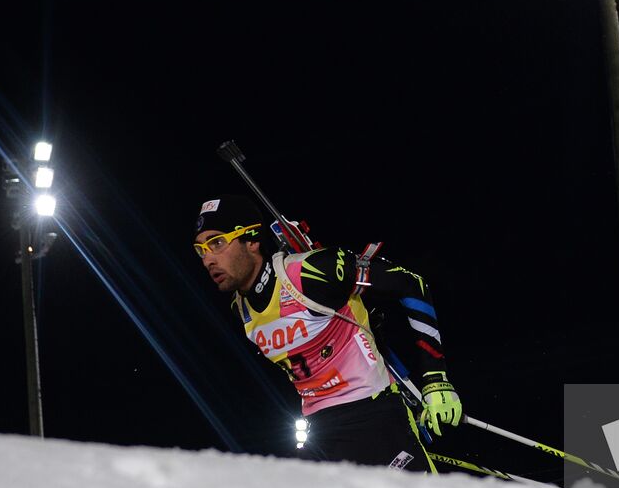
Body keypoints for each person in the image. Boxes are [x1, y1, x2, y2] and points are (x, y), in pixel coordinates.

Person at [192, 194, 461, 470]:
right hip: (320, 431)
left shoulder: (308, 272)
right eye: (201, 250)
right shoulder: (242, 309)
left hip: (373, 414)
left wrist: (435, 378)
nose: (208, 259)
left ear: (251, 240)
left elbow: (410, 284)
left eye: (217, 243)